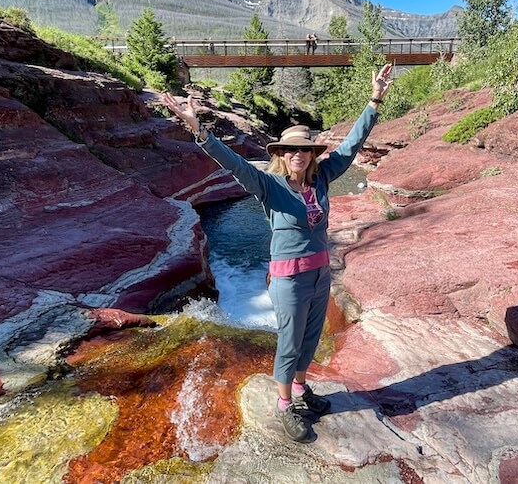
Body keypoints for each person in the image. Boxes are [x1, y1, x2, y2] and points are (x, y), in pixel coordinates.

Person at [160, 63, 395, 442]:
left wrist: (375, 98)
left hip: (320, 274)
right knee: (289, 340)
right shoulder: (268, 185)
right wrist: (198, 128)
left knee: (311, 336)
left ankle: (301, 390)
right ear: (282, 154)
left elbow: (352, 144)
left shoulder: (322, 177)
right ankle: (285, 404)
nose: (298, 154)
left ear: (312, 153)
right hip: (288, 277)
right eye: (291, 150)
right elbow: (233, 163)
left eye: (304, 149)